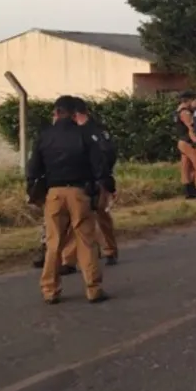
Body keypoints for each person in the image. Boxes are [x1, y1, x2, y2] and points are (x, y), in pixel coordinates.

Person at [26, 95, 110, 304]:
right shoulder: (84, 135)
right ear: (74, 114)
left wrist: (35, 190)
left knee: (54, 243)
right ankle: (93, 288)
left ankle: (50, 290)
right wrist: (103, 189)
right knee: (86, 241)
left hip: (53, 193)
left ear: (56, 113)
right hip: (79, 193)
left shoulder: (44, 136)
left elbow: (33, 168)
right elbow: (99, 167)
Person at [60, 98, 119, 267]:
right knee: (75, 218)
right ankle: (69, 259)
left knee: (100, 215)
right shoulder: (75, 131)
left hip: (97, 178)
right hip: (79, 180)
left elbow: (108, 154)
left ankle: (109, 250)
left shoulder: (96, 131)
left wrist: (106, 179)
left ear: (75, 114)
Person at [175, 92, 196, 199]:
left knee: (186, 167)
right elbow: (191, 127)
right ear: (188, 100)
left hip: (182, 141)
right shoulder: (185, 112)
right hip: (187, 141)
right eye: (192, 100)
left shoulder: (177, 111)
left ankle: (188, 191)